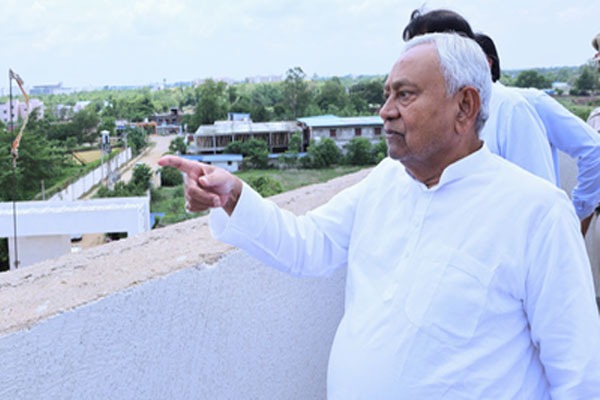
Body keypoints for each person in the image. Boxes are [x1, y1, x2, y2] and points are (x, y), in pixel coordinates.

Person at [159, 33, 600, 398]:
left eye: (405, 94)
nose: (385, 110)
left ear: (464, 106)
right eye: (387, 94)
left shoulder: (535, 212)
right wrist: (234, 196)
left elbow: (579, 374)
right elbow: (308, 245)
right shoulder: (386, 181)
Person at [403, 9, 557, 185]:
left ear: (456, 49)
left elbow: (537, 189)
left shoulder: (509, 107)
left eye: (419, 49)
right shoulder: (420, 115)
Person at [475, 32, 600, 236]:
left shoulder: (528, 102)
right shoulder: (455, 117)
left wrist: (574, 215)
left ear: (487, 64)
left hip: (534, 236)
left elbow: (594, 151)